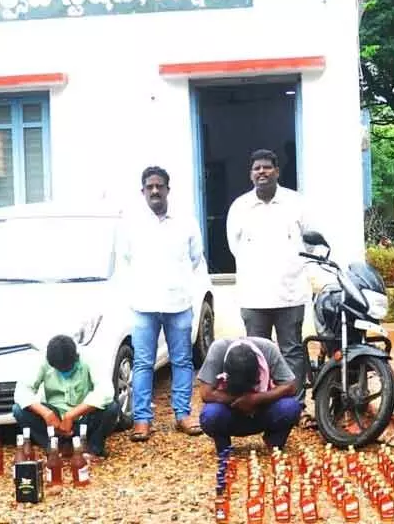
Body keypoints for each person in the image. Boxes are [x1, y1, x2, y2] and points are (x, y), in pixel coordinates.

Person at [118, 166, 205, 441]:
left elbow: (195, 258)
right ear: (142, 191)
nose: (155, 191)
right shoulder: (131, 224)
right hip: (144, 305)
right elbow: (125, 259)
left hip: (178, 303)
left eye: (160, 186)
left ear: (168, 189)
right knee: (143, 363)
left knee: (182, 360)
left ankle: (182, 414)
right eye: (149, 187)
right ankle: (142, 419)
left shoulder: (186, 222)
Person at [226, 149, 310, 400]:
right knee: (255, 353)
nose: (261, 172)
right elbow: (234, 246)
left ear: (277, 171)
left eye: (266, 167)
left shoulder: (296, 203)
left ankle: (295, 403)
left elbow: (310, 242)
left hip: (290, 292)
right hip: (253, 295)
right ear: (251, 175)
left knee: (291, 351)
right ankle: (260, 401)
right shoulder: (240, 206)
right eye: (256, 168)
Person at [13, 335, 121, 460]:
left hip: (84, 417)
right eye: (59, 369)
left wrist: (72, 415)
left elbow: (106, 391)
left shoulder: (89, 358)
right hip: (55, 421)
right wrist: (46, 413)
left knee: (112, 408)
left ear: (76, 358)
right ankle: (55, 447)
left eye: (67, 368)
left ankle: (93, 449)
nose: (63, 372)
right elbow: (21, 391)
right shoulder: (42, 360)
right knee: (19, 410)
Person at [197, 337, 302, 455]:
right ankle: (224, 447)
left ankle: (274, 442)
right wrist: (240, 400)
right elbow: (206, 393)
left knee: (290, 407)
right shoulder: (218, 349)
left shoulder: (268, 349)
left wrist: (256, 399)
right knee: (211, 414)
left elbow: (291, 386)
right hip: (231, 412)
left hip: (262, 410)